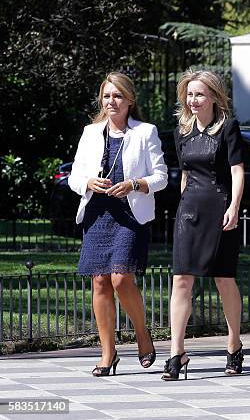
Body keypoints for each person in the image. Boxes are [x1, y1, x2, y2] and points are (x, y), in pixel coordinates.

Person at [68, 72, 168, 376]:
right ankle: (107, 354)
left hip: (129, 214)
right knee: (99, 281)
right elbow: (74, 176)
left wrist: (134, 184)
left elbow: (161, 177)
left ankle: (142, 333)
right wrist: (87, 181)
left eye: (118, 96)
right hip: (98, 213)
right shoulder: (90, 132)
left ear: (130, 100)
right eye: (107, 96)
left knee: (121, 278)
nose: (112, 101)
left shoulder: (145, 132)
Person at [162, 70, 245, 381]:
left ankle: (234, 345)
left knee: (224, 280)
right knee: (181, 280)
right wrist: (183, 204)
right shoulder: (181, 132)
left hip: (221, 208)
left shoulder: (228, 128)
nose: (192, 100)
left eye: (199, 94)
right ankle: (176, 352)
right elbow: (184, 173)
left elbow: (238, 171)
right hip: (189, 211)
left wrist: (234, 207)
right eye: (189, 94)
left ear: (213, 96)